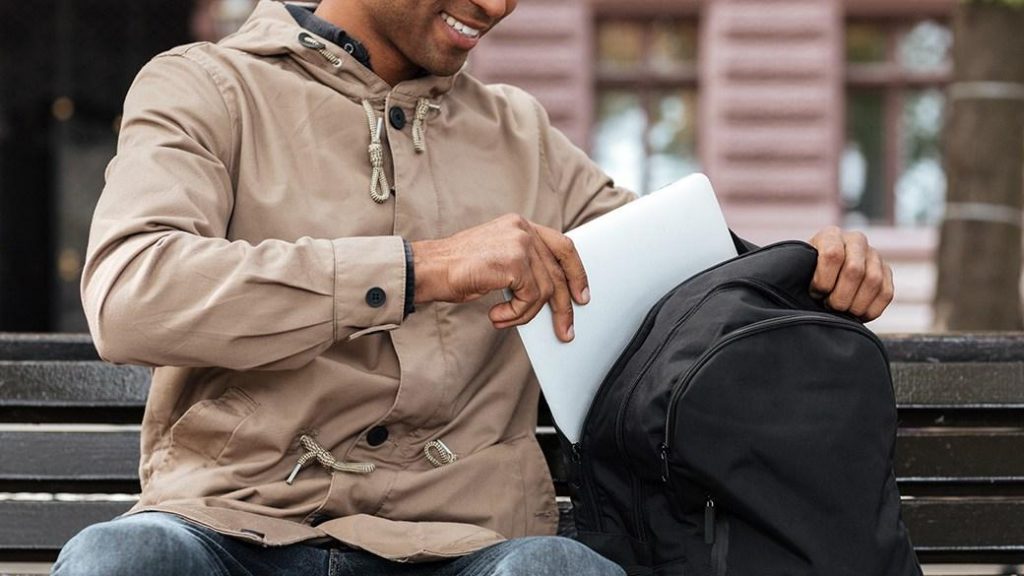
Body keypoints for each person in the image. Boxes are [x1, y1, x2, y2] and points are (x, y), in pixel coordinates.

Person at [54, 0, 895, 575]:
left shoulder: (522, 135)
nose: (496, 5)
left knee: (560, 569)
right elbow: (133, 292)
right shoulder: (205, 87)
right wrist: (423, 270)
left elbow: (691, 276)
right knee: (117, 562)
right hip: (231, 527)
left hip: (465, 546)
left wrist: (808, 271)